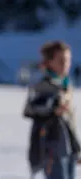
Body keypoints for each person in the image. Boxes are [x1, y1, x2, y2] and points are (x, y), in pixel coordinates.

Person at [23, 41, 80, 179]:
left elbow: (69, 123)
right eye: (61, 60)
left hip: (67, 147)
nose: (65, 64)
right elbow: (30, 109)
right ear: (49, 62)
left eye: (67, 60)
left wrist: (76, 149)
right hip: (51, 147)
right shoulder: (42, 84)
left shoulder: (65, 84)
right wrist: (52, 109)